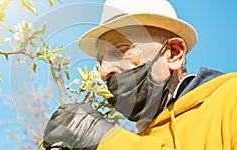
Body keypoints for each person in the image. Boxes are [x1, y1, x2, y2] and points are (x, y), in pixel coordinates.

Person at [43, 0, 237, 149]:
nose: (103, 73)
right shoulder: (138, 139)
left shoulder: (230, 100)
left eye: (120, 50)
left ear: (173, 53)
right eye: (100, 61)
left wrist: (108, 141)